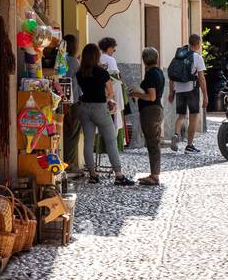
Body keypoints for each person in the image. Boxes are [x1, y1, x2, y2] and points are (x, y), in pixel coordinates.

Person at [77, 43, 134, 186]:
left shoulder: (80, 73)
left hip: (84, 108)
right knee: (111, 141)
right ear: (97, 56)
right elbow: (110, 92)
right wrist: (107, 100)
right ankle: (119, 175)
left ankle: (93, 175)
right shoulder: (102, 73)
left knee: (88, 143)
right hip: (100, 109)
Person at [129, 47, 166, 186]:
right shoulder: (159, 72)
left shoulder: (151, 75)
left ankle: (155, 176)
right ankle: (154, 174)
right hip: (156, 110)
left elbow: (151, 97)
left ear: (144, 60)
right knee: (153, 143)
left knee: (153, 144)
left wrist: (135, 94)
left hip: (150, 111)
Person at [168, 32, 207, 154]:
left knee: (181, 115)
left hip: (178, 89)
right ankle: (189, 145)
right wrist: (205, 95)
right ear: (198, 44)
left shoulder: (179, 55)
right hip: (192, 89)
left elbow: (172, 75)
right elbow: (201, 78)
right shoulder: (197, 57)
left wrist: (171, 92)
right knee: (194, 116)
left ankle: (176, 134)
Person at [63, 34, 83, 175]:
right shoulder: (73, 62)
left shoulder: (63, 60)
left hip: (65, 102)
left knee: (67, 133)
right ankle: (70, 163)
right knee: (73, 134)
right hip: (73, 102)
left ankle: (68, 162)